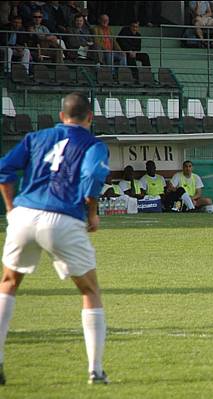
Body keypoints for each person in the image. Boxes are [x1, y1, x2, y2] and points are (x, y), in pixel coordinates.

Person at [0, 92, 110, 384]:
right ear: (90, 118)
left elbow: (4, 169)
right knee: (89, 290)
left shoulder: (35, 137)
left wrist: (11, 209)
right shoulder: (93, 145)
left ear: (62, 116)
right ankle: (95, 371)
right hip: (62, 218)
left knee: (8, 283)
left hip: (23, 214)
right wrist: (93, 213)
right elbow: (91, 179)